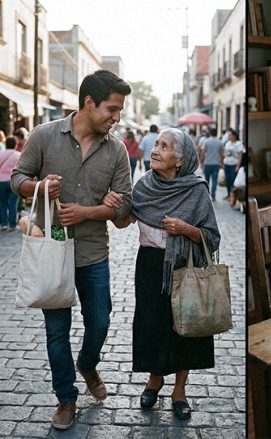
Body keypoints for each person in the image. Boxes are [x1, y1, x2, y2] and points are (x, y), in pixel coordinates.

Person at [10, 69, 133, 430]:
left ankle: (88, 363)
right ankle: (66, 398)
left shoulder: (117, 149)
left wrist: (93, 211)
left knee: (101, 321)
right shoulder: (44, 135)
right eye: (112, 109)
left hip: (94, 252)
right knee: (56, 333)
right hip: (51, 251)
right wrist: (38, 187)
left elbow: (125, 206)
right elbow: (18, 178)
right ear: (88, 103)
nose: (117, 117)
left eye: (120, 110)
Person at [110, 128, 220, 421]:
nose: (155, 150)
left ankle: (179, 391)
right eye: (156, 144)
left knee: (184, 326)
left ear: (180, 160)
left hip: (184, 265)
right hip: (149, 265)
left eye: (164, 146)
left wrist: (186, 229)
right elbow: (124, 223)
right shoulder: (144, 186)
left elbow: (212, 237)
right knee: (152, 324)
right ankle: (154, 380)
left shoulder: (196, 190)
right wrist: (113, 207)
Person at [199, 127, 224, 201]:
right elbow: (222, 154)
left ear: (210, 133)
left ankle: (207, 194)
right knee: (214, 180)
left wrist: (201, 162)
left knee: (206, 180)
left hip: (208, 163)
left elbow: (202, 153)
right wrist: (221, 163)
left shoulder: (206, 141)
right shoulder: (220, 142)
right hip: (216, 163)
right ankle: (213, 195)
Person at [0, 147, 21, 230]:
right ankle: (12, 224)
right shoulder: (18, 155)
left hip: (1, 181)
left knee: (3, 203)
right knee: (13, 202)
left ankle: (4, 224)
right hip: (13, 181)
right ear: (15, 145)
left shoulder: (1, 154)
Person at [222, 128, 244, 201]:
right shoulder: (227, 143)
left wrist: (238, 165)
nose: (229, 136)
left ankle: (234, 196)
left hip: (233, 164)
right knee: (227, 180)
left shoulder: (238, 144)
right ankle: (229, 194)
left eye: (230, 135)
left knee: (233, 180)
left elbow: (240, 155)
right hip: (227, 163)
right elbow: (224, 153)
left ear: (234, 136)